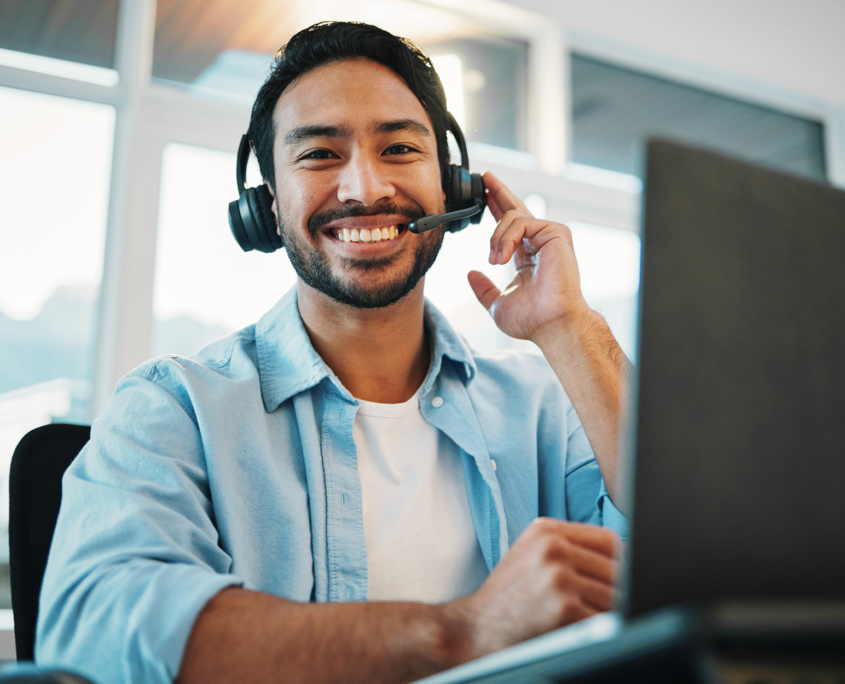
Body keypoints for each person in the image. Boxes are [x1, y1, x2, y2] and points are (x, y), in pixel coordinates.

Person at [36, 21, 631, 684]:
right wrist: (461, 631)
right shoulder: (174, 409)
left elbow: (689, 557)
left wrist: (570, 328)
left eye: (400, 148)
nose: (363, 188)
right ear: (266, 205)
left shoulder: (545, 407)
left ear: (452, 185)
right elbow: (97, 630)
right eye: (319, 155)